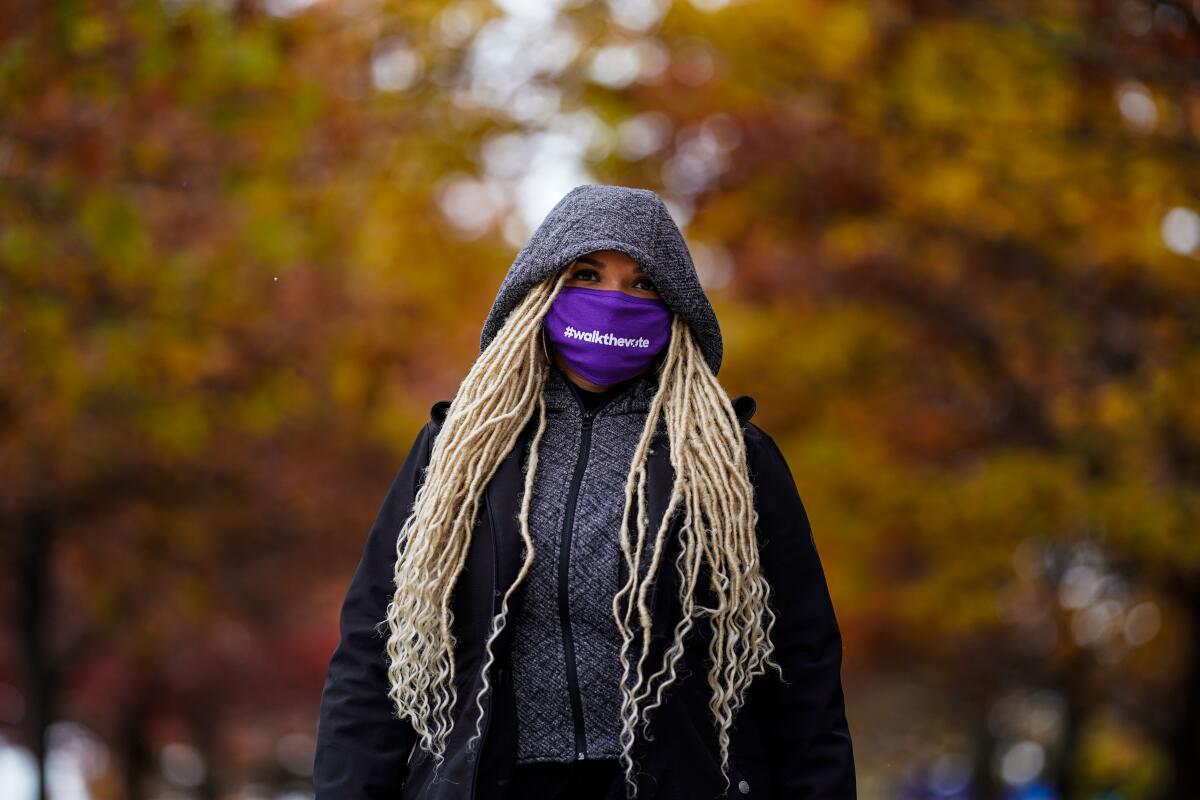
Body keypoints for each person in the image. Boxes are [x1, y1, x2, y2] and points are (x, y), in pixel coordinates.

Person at [313, 184, 856, 799]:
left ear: (676, 304)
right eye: (587, 274)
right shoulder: (456, 452)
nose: (613, 299)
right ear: (540, 290)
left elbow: (803, 675)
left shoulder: (735, 461)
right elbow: (370, 657)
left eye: (642, 283)